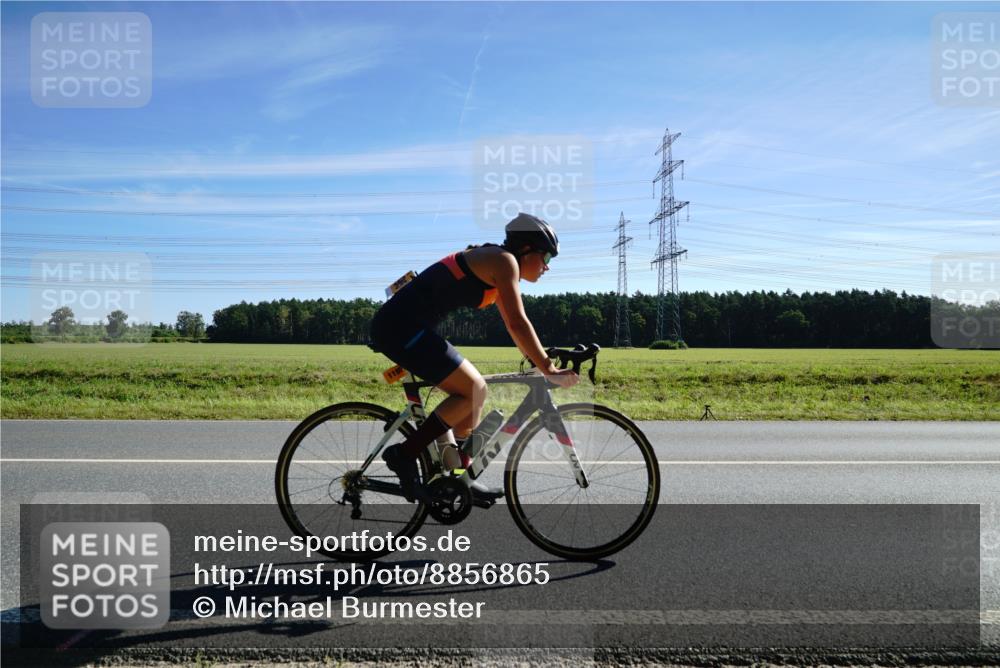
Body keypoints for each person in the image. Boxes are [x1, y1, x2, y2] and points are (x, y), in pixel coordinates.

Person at [369, 213, 580, 502]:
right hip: (400, 328)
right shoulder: (504, 261)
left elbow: (513, 325)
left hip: (406, 327)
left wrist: (541, 359)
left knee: (470, 402)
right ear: (527, 250)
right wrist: (548, 368)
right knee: (473, 388)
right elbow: (517, 323)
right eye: (547, 258)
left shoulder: (498, 261)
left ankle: (459, 478)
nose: (547, 267)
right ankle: (403, 454)